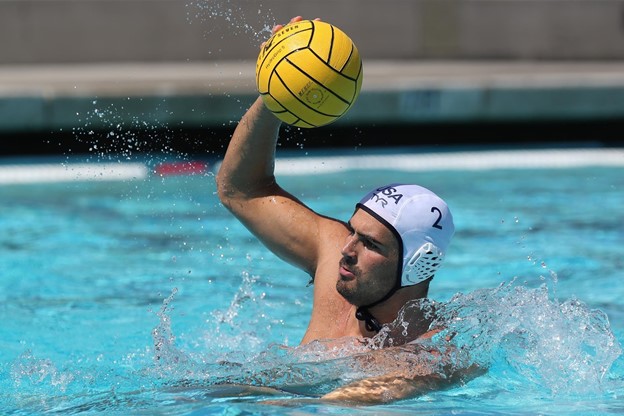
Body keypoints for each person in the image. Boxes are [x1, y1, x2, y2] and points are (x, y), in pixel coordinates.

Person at [216, 16, 476, 403]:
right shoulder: (333, 253)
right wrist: (276, 95)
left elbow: (351, 401)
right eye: (352, 230)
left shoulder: (430, 353)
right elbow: (240, 190)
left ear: (417, 263)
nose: (346, 248)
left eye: (369, 242)